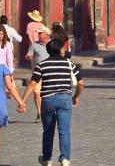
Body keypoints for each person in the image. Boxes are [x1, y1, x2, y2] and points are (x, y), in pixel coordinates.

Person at [21, 38, 83, 166]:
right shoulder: (69, 63)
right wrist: (75, 96)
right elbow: (81, 84)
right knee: (64, 131)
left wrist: (23, 101)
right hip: (65, 99)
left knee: (48, 131)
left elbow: (33, 83)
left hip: (48, 100)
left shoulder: (42, 65)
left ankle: (47, 159)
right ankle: (65, 158)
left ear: (48, 51)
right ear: (60, 50)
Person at [24, 25, 52, 123]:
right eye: (38, 33)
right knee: (37, 94)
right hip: (37, 74)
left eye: (40, 33)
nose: (38, 35)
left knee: (49, 95)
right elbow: (29, 54)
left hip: (50, 74)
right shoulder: (34, 45)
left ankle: (49, 112)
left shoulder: (53, 44)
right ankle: (39, 113)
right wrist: (29, 56)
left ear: (46, 34)